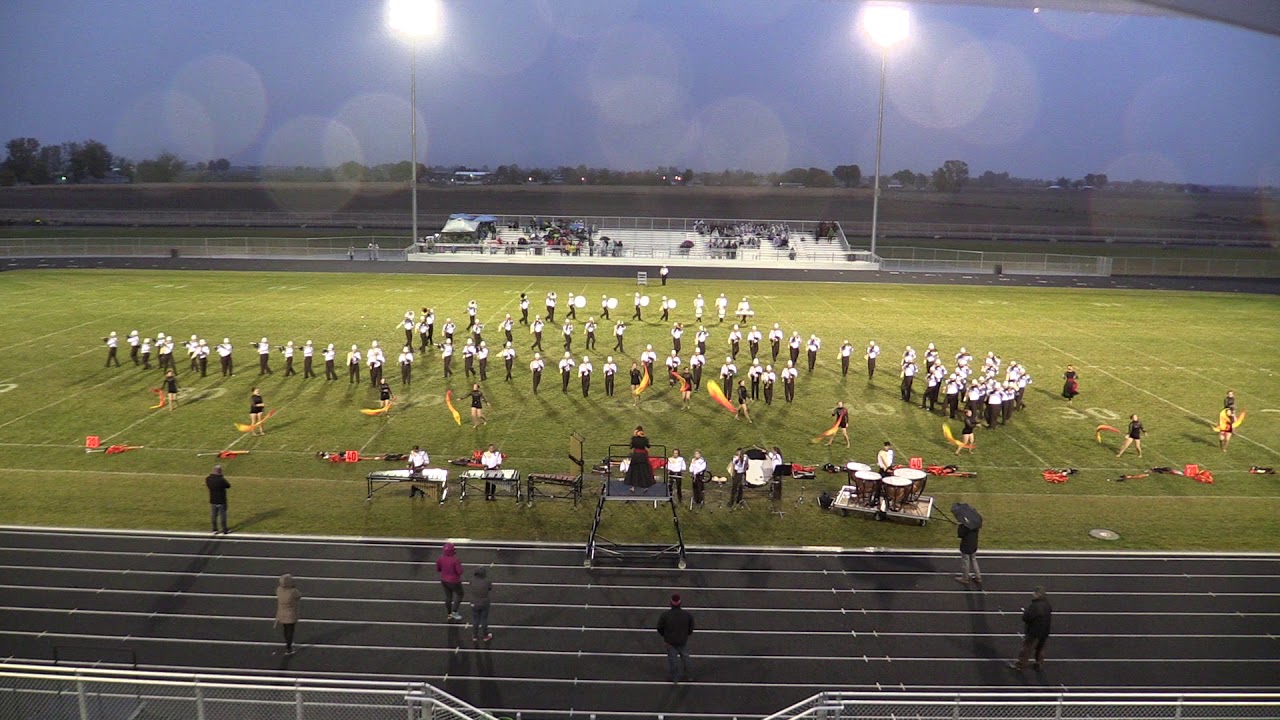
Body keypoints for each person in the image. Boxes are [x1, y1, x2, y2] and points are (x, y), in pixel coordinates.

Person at [1009, 587, 1052, 671]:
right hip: (1044, 631)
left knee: (1027, 649)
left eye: (1034, 593)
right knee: (1040, 649)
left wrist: (1026, 612)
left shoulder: (1035, 606)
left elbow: (1026, 617)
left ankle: (1020, 665)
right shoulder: (1047, 604)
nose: (1032, 595)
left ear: (1038, 594)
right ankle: (1039, 664)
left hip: (1034, 632)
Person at [656, 593, 694, 683]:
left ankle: (675, 678)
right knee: (686, 658)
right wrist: (685, 635)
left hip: (670, 642)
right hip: (682, 640)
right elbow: (691, 627)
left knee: (673, 660)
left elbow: (659, 628)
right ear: (680, 603)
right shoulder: (687, 615)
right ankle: (689, 676)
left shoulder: (665, 615)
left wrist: (665, 636)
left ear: (671, 603)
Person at [436, 543, 465, 622]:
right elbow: (460, 571)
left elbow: (438, 569)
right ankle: (454, 612)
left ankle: (449, 613)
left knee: (448, 597)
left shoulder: (440, 559)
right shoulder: (455, 560)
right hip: (454, 581)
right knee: (460, 594)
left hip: (444, 580)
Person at [275, 574, 301, 655]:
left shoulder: (279, 590)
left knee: (285, 629)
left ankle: (288, 642)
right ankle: (289, 647)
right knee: (290, 630)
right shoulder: (293, 592)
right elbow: (299, 595)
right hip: (291, 614)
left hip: (281, 613)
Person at [625, 426, 654, 490]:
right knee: (644, 471)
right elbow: (648, 446)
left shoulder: (634, 439)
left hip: (636, 456)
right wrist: (644, 437)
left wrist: (634, 436)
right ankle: (645, 486)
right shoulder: (645, 439)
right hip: (643, 456)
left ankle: (633, 486)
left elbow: (631, 446)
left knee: (634, 471)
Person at [469, 567, 493, 643]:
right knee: (484, 619)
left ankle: (474, 636)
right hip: (484, 603)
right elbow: (490, 588)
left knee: (475, 619)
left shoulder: (472, 580)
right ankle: (485, 636)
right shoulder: (487, 581)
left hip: (474, 603)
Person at [955, 518, 982, 584]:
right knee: (973, 560)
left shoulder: (965, 526)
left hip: (966, 546)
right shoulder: (976, 524)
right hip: (974, 545)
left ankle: (965, 578)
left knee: (965, 562)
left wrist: (960, 525)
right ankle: (978, 577)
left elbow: (960, 534)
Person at [206, 464, 230, 534]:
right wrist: (222, 477)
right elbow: (228, 486)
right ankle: (224, 530)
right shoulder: (221, 480)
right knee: (223, 515)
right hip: (221, 500)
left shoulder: (208, 479)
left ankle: (214, 529)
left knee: (214, 515)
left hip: (213, 500)